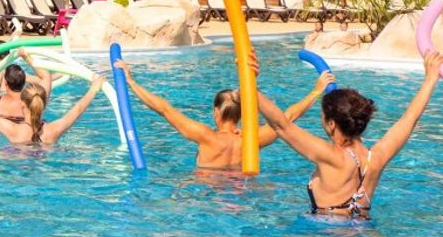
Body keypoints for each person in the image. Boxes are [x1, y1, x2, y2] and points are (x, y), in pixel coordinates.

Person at [258, 50, 441, 219]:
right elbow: (410, 118)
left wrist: (250, 86)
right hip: (364, 235)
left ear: (331, 124)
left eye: (322, 117)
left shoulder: (330, 156)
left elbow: (281, 125)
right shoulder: (376, 157)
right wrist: (430, 78)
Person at [116, 54, 334, 172]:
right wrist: (317, 89)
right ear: (240, 114)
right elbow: (288, 118)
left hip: (206, 192)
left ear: (216, 112)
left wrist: (130, 81)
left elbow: (164, 109)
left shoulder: (205, 136)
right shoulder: (252, 140)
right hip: (241, 191)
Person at [0, 77, 104, 146]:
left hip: (15, 170)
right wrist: (94, 88)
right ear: (44, 104)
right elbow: (77, 109)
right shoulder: (53, 130)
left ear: (22, 103)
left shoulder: (12, 129)